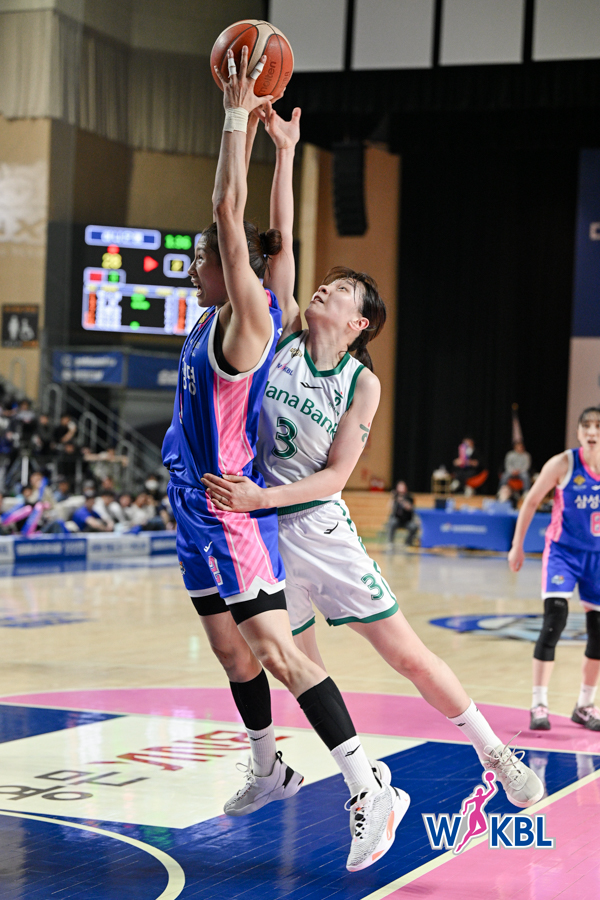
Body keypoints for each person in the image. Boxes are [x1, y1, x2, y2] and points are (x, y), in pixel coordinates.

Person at [202, 100, 543, 813]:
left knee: (406, 655)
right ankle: (346, 782)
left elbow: (335, 477)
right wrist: (286, 151)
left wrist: (264, 497)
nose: (323, 286)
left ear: (358, 322)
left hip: (316, 529)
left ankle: (497, 754)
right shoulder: (282, 334)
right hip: (263, 536)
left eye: (341, 289)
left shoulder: (362, 382)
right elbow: (281, 240)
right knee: (296, 668)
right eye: (325, 282)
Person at [161, 47, 404, 873]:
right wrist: (287, 153)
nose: (193, 269)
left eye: (202, 259)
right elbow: (276, 234)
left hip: (234, 515)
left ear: (227, 268)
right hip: (192, 509)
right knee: (233, 655)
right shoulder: (213, 316)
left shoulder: (250, 323)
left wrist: (236, 115)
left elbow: (231, 215)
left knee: (279, 654)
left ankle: (369, 786)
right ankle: (270, 769)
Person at [508, 406, 600, 732]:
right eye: (586, 426)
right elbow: (532, 501)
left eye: (598, 426)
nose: (592, 431)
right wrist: (517, 545)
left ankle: (585, 705)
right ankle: (539, 703)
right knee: (555, 619)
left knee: (598, 632)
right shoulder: (564, 463)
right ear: (578, 432)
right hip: (563, 552)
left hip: (597, 557)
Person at [387, 480, 418, 547]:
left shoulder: (409, 497)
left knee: (414, 527)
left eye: (402, 487)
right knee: (392, 523)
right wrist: (392, 498)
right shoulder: (395, 497)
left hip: (407, 521)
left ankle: (407, 542)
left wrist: (402, 501)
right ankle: (390, 542)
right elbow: (389, 507)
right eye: (399, 487)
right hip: (397, 520)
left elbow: (410, 508)